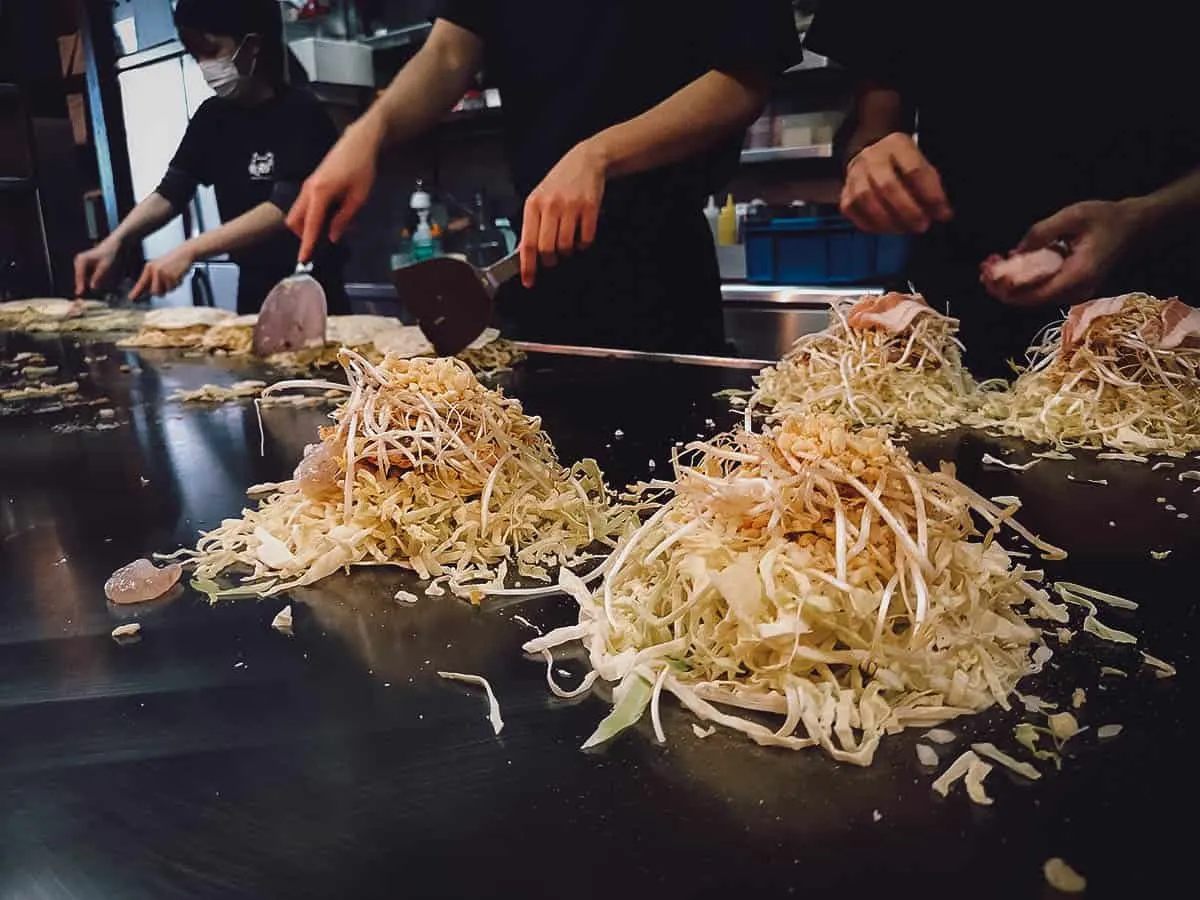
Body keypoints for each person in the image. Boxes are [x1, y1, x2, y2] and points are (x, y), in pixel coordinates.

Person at [287, 1, 801, 354]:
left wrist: (599, 154)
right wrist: (368, 131)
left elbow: (744, 78)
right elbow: (447, 52)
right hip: (535, 269)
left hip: (660, 274)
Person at [805, 0, 1200, 378]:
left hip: (1159, 330)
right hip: (951, 324)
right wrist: (868, 160)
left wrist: (1141, 216)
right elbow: (869, 125)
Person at [74, 0, 347, 315]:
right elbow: (172, 191)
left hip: (312, 288)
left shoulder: (302, 114)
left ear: (252, 45)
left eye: (211, 50)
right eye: (195, 55)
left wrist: (190, 249)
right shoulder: (212, 118)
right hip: (253, 294)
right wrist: (116, 241)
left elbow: (283, 208)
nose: (204, 65)